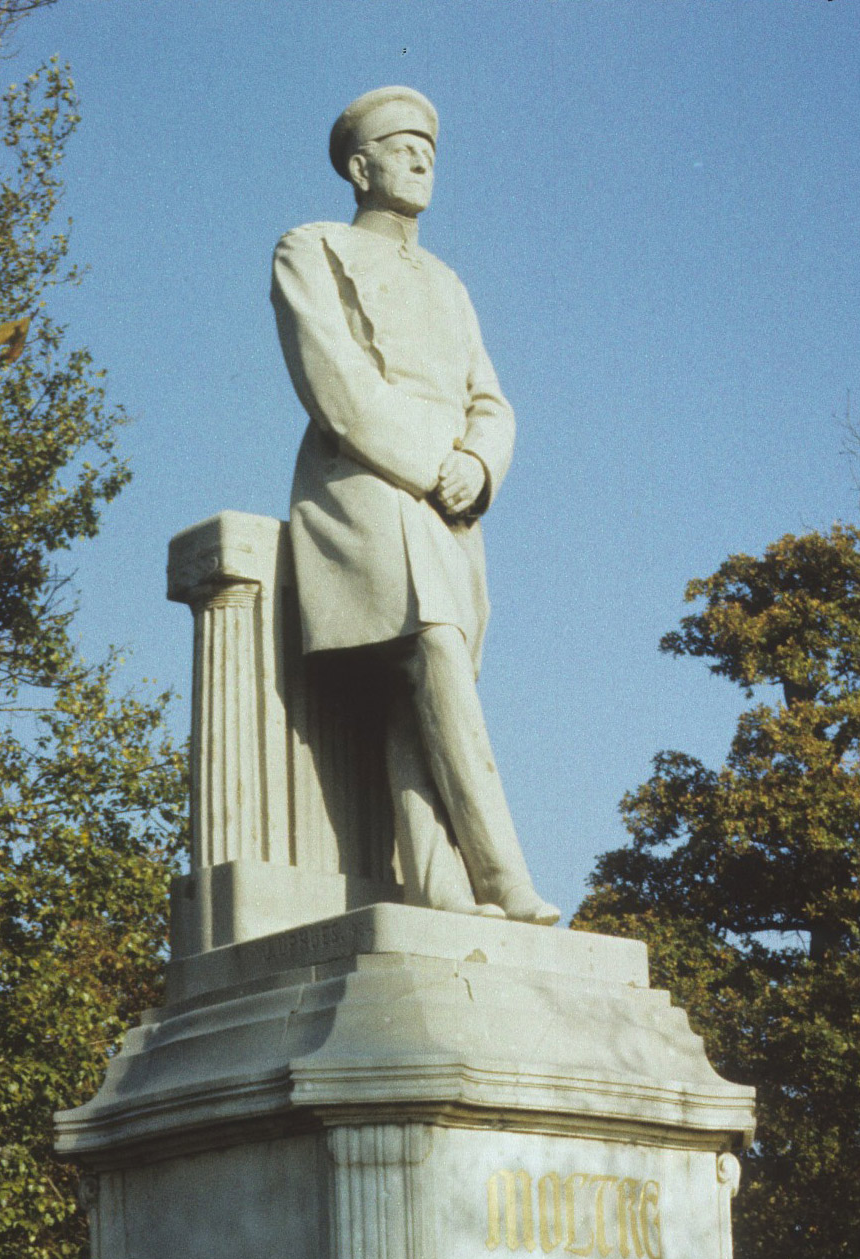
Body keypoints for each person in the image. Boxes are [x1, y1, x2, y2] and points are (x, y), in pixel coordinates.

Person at [271, 86, 559, 925]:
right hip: (364, 490)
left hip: (450, 508)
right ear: (359, 168)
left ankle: (439, 889)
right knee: (434, 653)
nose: (422, 159)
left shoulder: (448, 281)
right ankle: (503, 873)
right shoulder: (310, 247)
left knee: (427, 690)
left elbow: (491, 398)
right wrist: (436, 463)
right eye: (400, 148)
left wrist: (477, 462)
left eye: (428, 148)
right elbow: (336, 385)